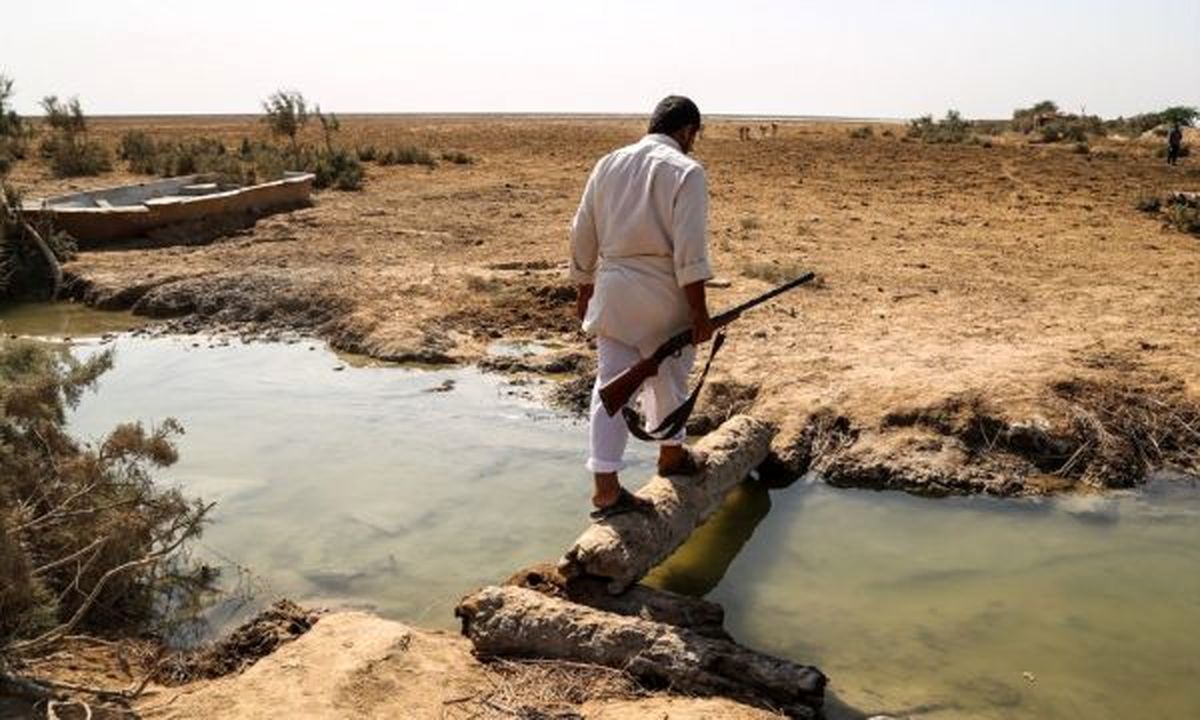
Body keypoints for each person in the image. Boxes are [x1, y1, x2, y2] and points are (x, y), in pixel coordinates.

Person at [569, 95, 715, 520]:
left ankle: (606, 490)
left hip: (613, 292)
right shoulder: (687, 171)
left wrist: (584, 289)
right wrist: (699, 314)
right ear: (688, 132)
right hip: (663, 295)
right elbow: (689, 253)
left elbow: (582, 232)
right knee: (669, 377)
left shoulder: (608, 163)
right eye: (694, 137)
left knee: (610, 388)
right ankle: (671, 456)